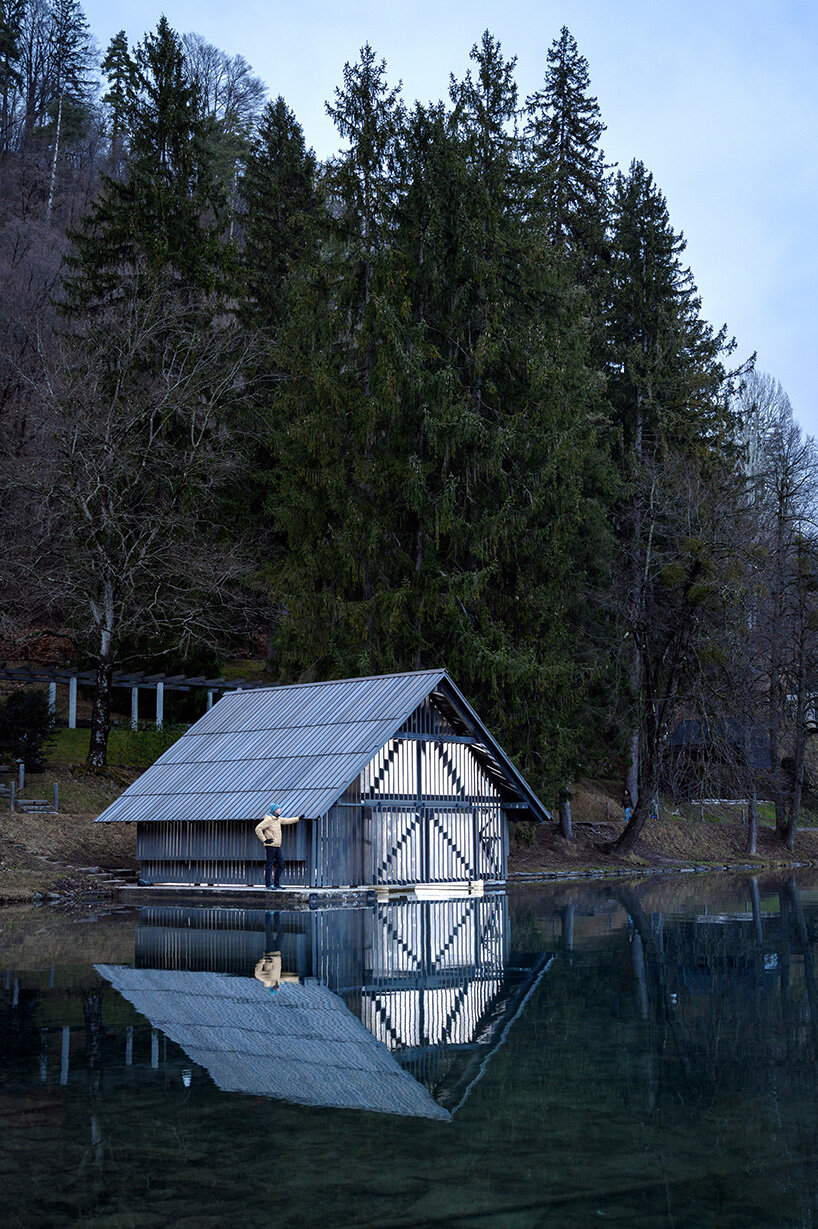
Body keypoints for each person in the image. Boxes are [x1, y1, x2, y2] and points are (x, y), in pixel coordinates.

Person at [254, 803, 301, 890]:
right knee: (270, 864)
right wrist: (264, 840)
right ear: (274, 810)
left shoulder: (277, 819)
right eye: (279, 808)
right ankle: (268, 884)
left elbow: (287, 821)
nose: (280, 809)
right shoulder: (268, 819)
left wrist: (298, 819)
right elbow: (258, 829)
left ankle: (276, 884)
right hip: (270, 845)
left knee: (281, 864)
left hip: (277, 845)